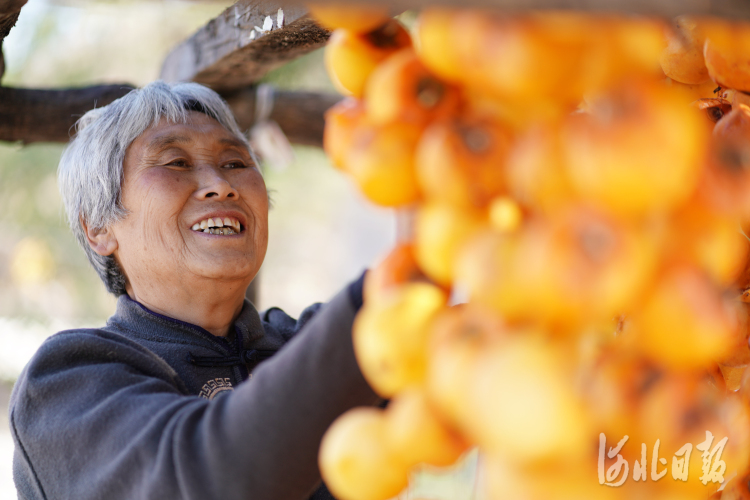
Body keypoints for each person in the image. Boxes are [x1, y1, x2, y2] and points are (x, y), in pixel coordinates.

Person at [8, 81, 379, 500]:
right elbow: (208, 479)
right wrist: (375, 306)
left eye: (236, 162)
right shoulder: (67, 383)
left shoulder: (308, 340)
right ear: (98, 227)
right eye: (176, 162)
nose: (220, 185)